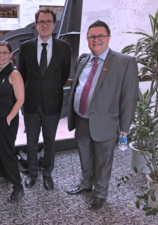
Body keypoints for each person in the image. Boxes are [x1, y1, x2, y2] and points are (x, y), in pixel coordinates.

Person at [67, 20, 139, 210]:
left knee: (103, 160)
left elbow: (129, 97)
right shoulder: (82, 59)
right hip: (81, 117)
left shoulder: (125, 62)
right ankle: (85, 184)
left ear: (108, 37)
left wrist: (124, 127)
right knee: (85, 155)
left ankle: (100, 193)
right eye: (92, 36)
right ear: (87, 39)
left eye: (100, 36)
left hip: (106, 122)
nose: (96, 39)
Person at [18, 7, 71, 190]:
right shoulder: (25, 48)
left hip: (52, 104)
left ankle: (47, 173)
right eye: (42, 21)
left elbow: (63, 75)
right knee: (31, 143)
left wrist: (49, 89)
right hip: (31, 104)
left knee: (50, 142)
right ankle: (33, 173)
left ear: (54, 25)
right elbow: (21, 76)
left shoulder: (64, 48)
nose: (45, 25)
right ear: (36, 24)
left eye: (48, 21)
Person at [0, 41, 25, 203]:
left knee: (7, 152)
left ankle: (18, 186)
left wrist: (8, 118)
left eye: (4, 52)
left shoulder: (14, 74)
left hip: (6, 120)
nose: (1, 55)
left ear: (10, 55)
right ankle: (4, 174)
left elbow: (20, 99)